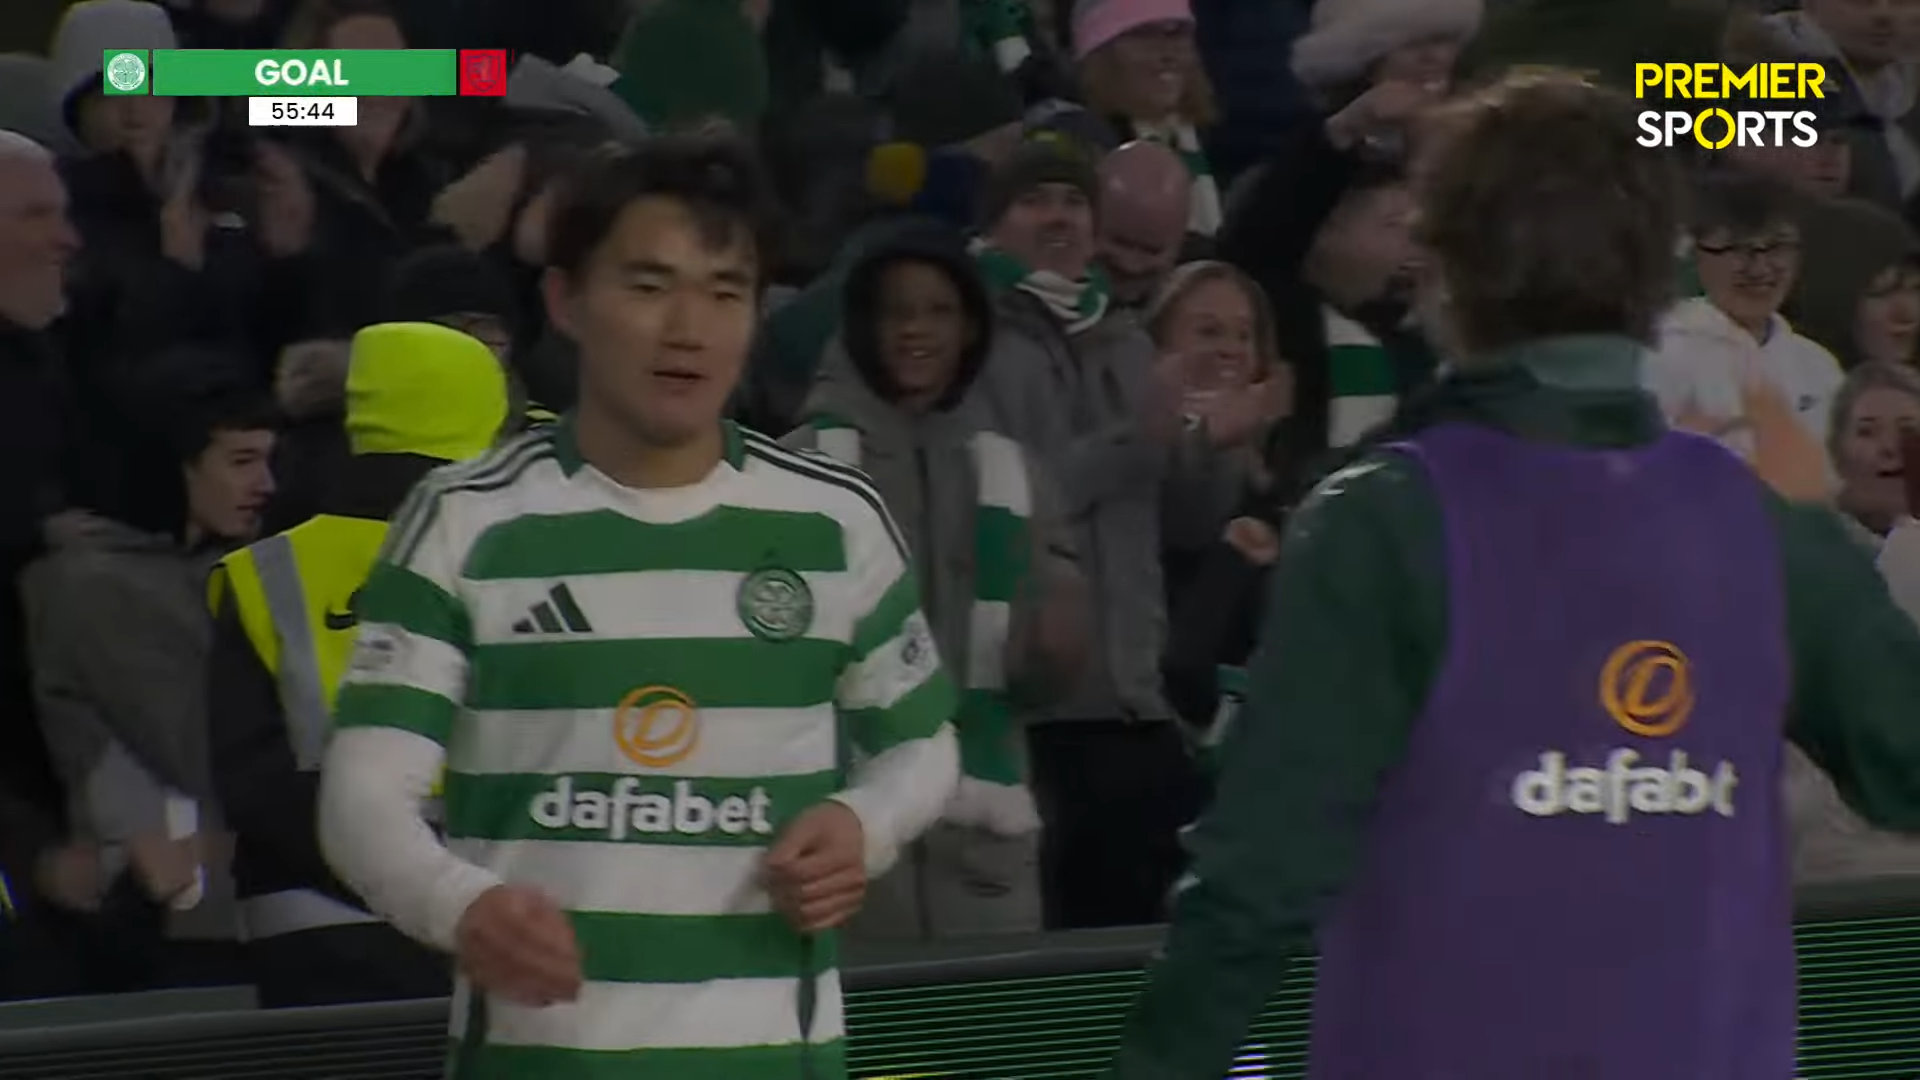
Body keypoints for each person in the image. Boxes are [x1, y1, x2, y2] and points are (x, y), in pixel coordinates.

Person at [1104, 70, 1920, 1080]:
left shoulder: (1380, 523)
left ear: (1442, 267)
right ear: (1659, 274)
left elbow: (1256, 881)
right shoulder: (1769, 533)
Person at [316, 133, 960, 1077]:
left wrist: (866, 826)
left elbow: (923, 744)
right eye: (650, 286)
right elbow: (361, 798)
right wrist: (462, 905)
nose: (689, 328)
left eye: (725, 292)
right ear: (565, 301)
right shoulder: (464, 520)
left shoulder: (834, 520)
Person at [784, 221, 1084, 939]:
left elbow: (1045, 684)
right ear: (863, 323)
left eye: (940, 311)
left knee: (990, 1014)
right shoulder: (798, 471)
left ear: (971, 328)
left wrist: (1062, 649)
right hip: (843, 858)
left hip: (984, 859)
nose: (917, 330)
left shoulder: (1016, 473)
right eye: (897, 310)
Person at [206, 321, 505, 1006]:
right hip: (492, 916)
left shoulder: (268, 572)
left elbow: (248, 777)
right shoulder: (516, 562)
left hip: (314, 929)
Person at [25, 373, 275, 991]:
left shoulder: (233, 564)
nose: (266, 484)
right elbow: (193, 745)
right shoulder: (92, 585)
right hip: (171, 913)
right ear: (175, 468)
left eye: (270, 462)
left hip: (246, 901)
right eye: (241, 461)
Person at [1647, 170, 1844, 459]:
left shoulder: (1818, 365)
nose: (1759, 269)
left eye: (1776, 246)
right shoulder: (1662, 356)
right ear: (1695, 254)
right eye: (1737, 248)